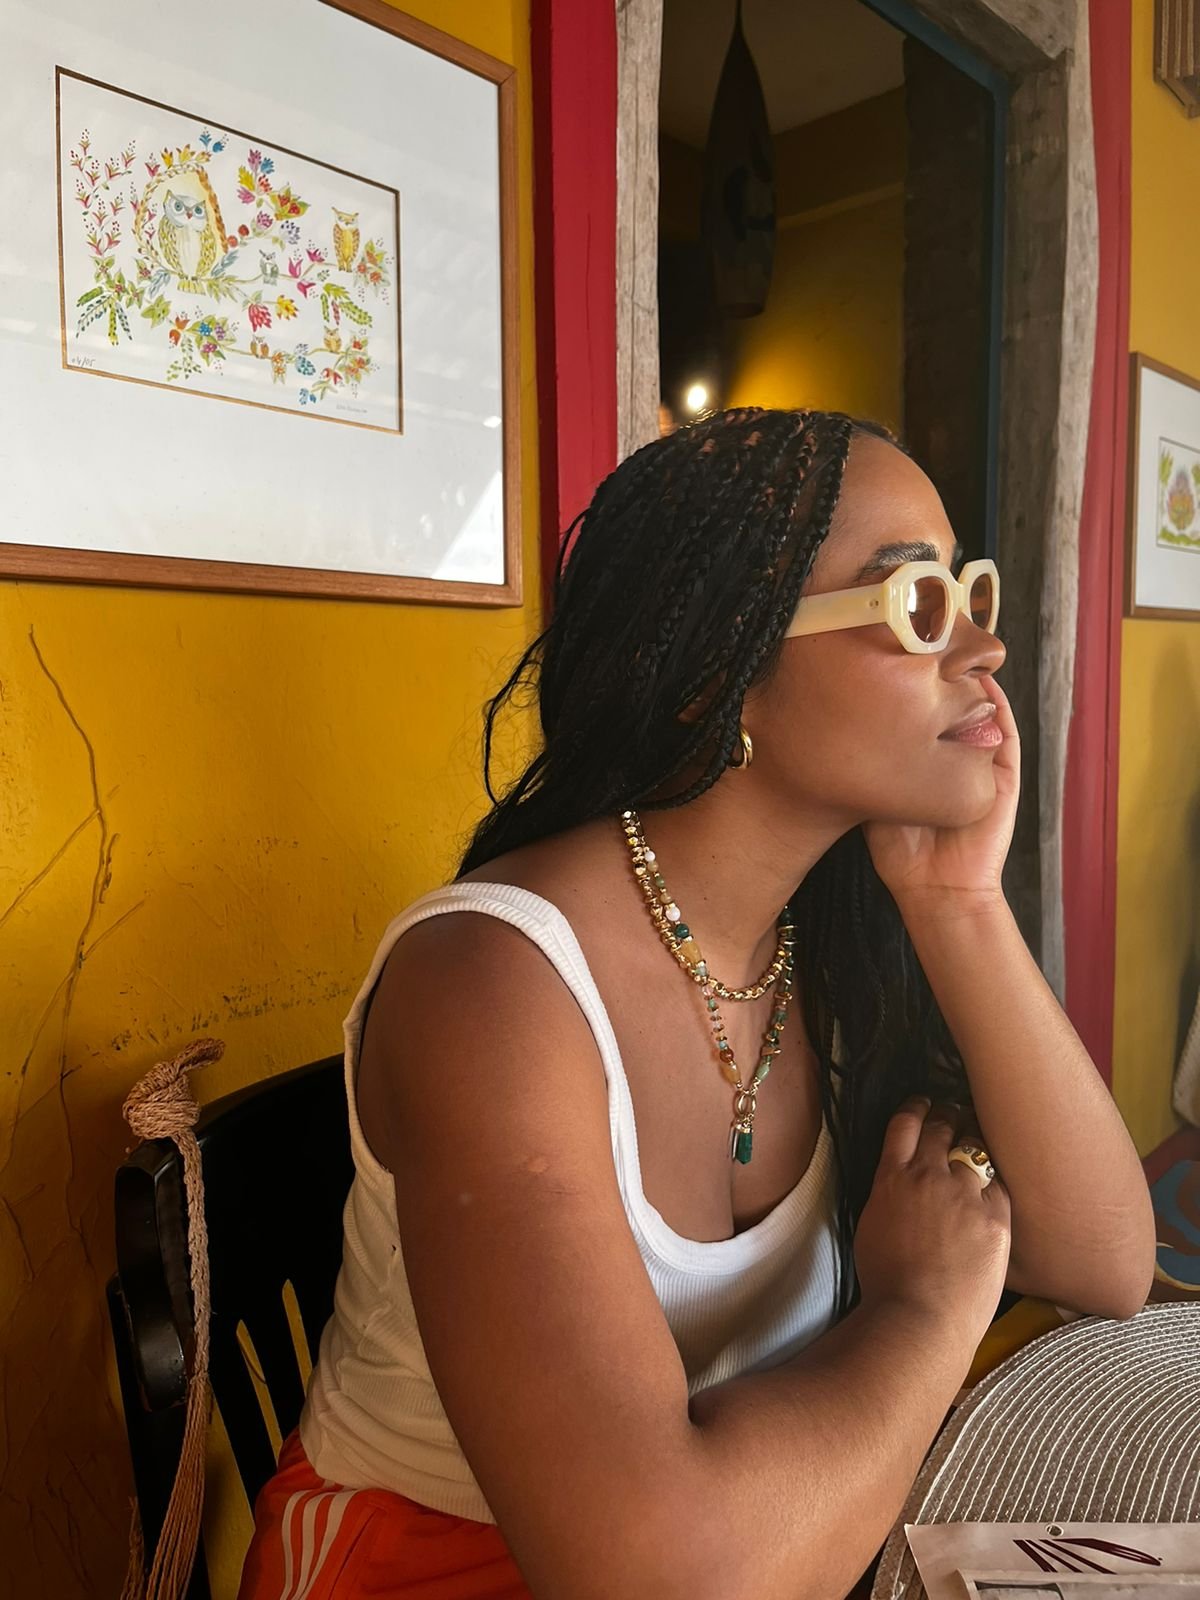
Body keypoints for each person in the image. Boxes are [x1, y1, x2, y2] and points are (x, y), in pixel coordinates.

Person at [237, 408, 1156, 1600]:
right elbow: (655, 1578)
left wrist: (959, 900)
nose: (981, 648)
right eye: (914, 605)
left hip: (774, 1526)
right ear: (721, 680)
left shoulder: (827, 940)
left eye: (968, 593)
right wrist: (926, 1308)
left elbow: (1104, 1262)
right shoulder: (495, 986)